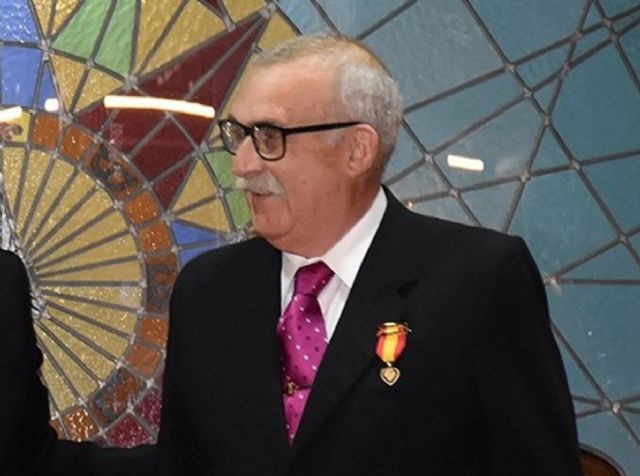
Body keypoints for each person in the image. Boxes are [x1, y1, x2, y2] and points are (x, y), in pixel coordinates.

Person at [3, 34, 583, 475]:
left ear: (356, 149)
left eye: (270, 137)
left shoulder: (477, 280)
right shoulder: (210, 291)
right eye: (239, 135)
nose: (242, 165)